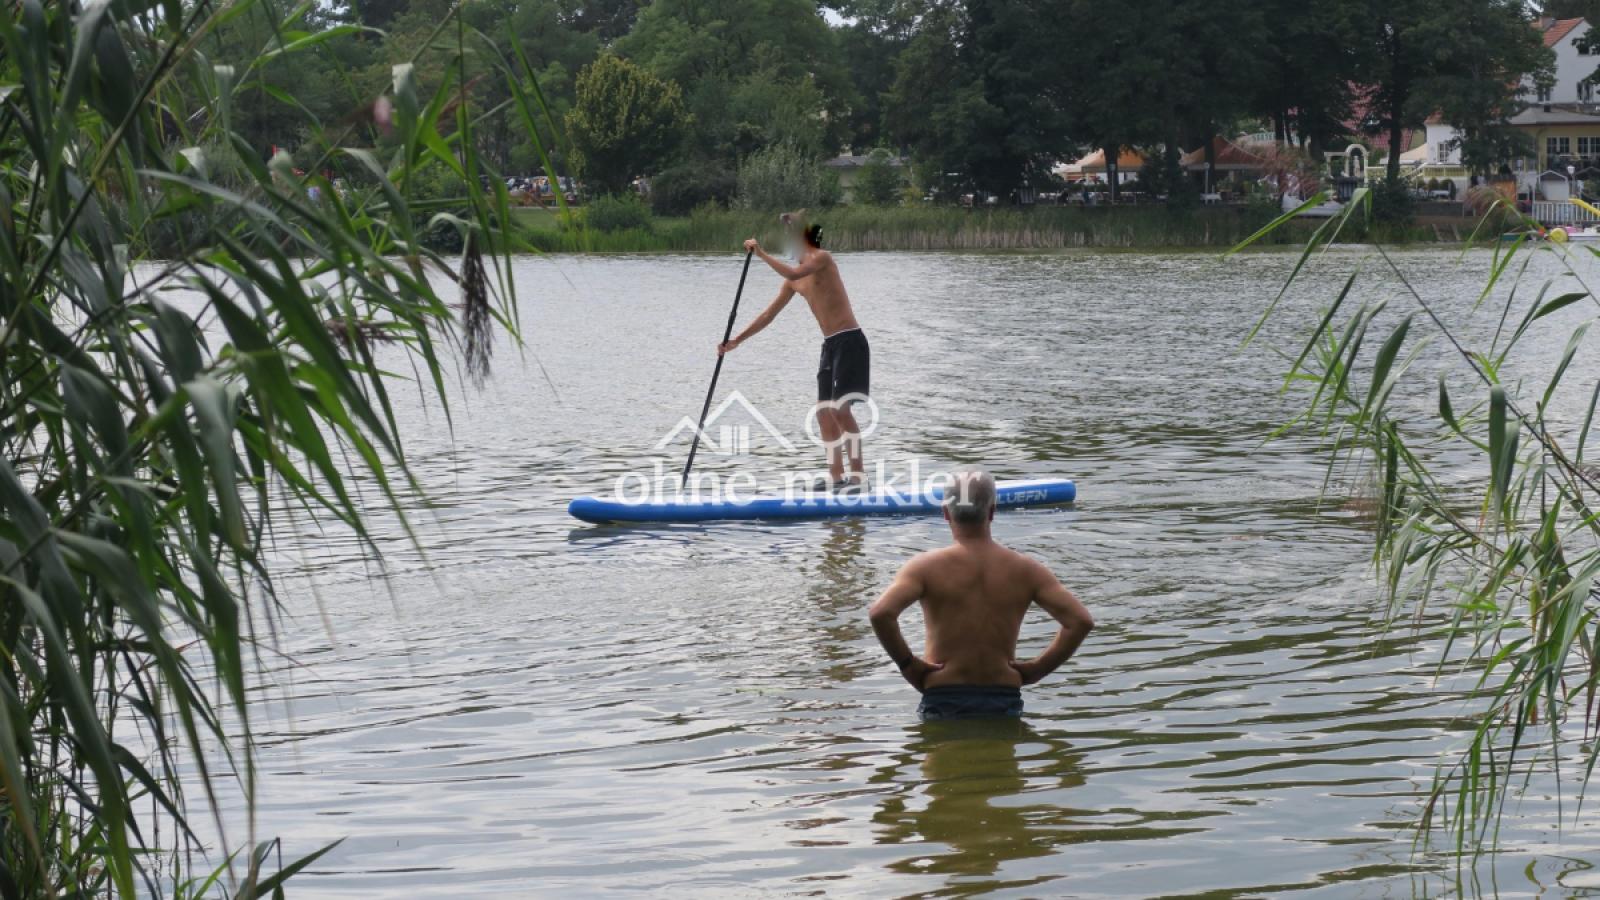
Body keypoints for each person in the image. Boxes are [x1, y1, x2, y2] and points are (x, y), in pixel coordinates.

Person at [868, 468, 1095, 720]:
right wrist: (1038, 669)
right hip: (1003, 695)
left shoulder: (924, 567)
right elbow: (1080, 621)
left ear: (945, 512)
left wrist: (908, 664)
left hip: (943, 693)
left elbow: (881, 613)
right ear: (992, 511)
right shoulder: (1027, 569)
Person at [717, 212, 870, 491]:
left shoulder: (822, 259)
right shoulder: (793, 282)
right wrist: (737, 340)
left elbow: (793, 271)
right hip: (830, 345)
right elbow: (768, 315)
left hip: (850, 341)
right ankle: (836, 477)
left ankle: (859, 478)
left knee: (840, 409)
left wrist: (761, 253)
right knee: (824, 412)